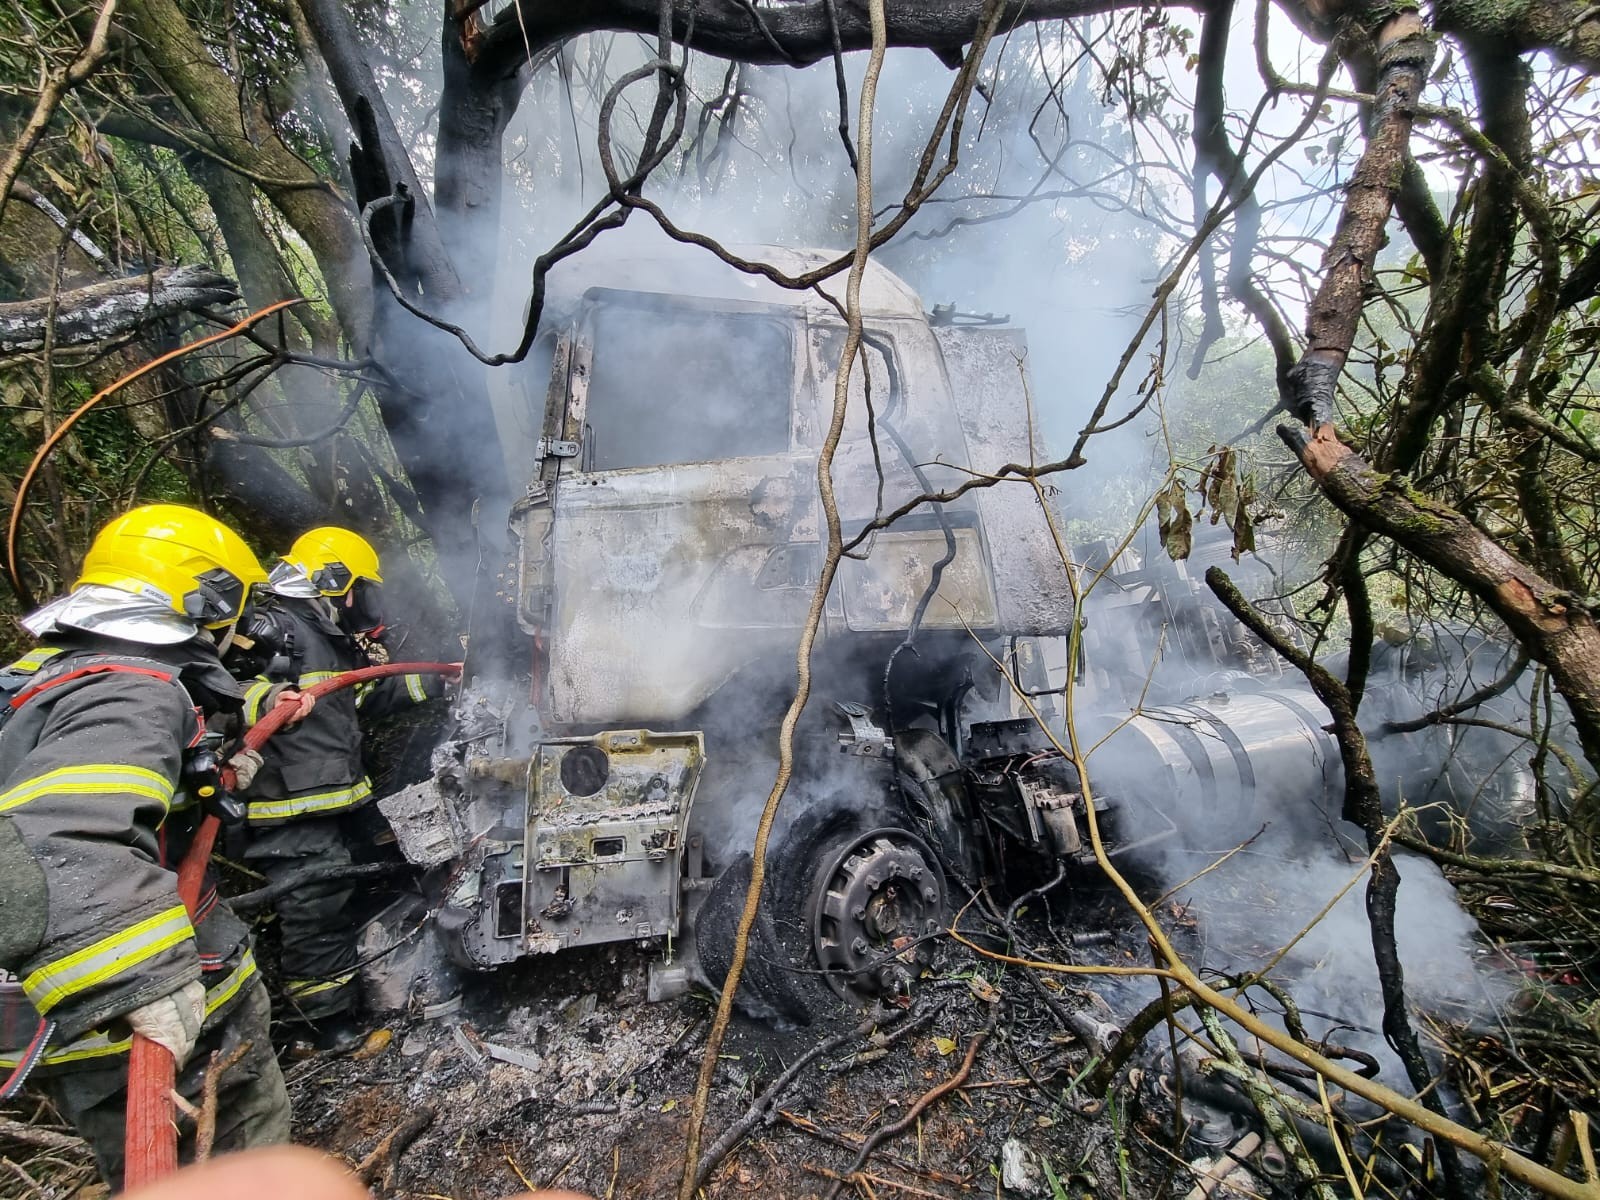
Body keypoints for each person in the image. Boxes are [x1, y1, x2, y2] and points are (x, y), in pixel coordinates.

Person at [0, 504, 303, 1186]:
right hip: (132, 1021)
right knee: (234, 1173)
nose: (248, 627)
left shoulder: (49, 676)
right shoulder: (132, 692)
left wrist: (206, 770)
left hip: (56, 1019)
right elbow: (55, 844)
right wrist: (139, 985)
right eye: (241, 606)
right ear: (208, 599)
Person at [230, 527, 450, 1052]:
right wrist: (265, 700)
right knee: (314, 908)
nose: (364, 604)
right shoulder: (272, 631)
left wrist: (442, 682)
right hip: (288, 807)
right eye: (362, 590)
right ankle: (326, 1025)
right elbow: (211, 688)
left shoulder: (321, 637)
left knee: (358, 888)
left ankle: (377, 983)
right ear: (334, 583)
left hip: (336, 798)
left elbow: (364, 695)